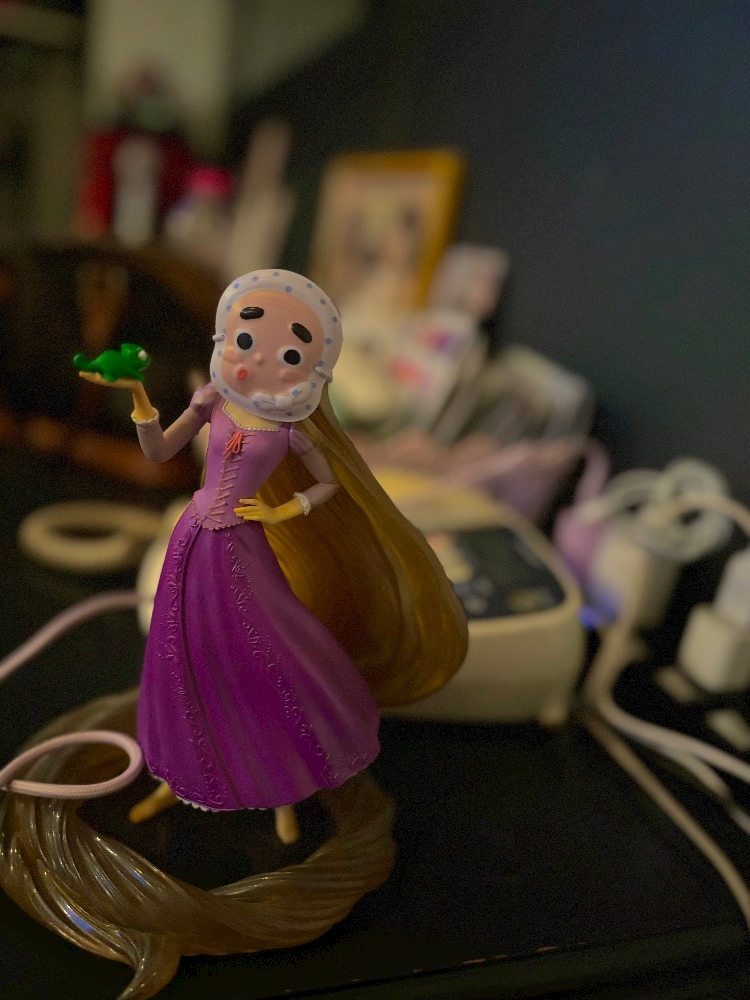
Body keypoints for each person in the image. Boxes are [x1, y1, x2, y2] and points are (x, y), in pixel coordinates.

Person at [79, 268, 467, 844]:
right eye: (245, 340)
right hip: (190, 542)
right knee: (182, 657)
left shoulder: (292, 431)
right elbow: (159, 453)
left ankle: (282, 783)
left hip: (243, 548)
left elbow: (329, 483)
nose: (258, 359)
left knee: (269, 661)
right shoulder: (211, 401)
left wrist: (285, 510)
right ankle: (184, 771)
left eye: (287, 354)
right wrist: (139, 396)